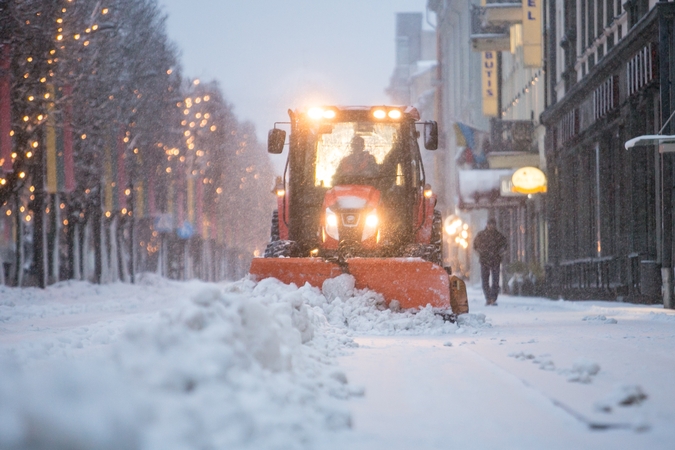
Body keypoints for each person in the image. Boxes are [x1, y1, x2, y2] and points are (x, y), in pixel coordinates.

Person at [473, 218, 507, 305]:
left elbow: (504, 247)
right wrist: (481, 252)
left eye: (492, 224)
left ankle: (492, 298)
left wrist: (500, 253)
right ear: (487, 224)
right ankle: (488, 298)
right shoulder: (481, 235)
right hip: (485, 260)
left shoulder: (498, 236)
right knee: (486, 280)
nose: (491, 226)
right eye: (490, 224)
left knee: (495, 280)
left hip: (494, 260)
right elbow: (475, 246)